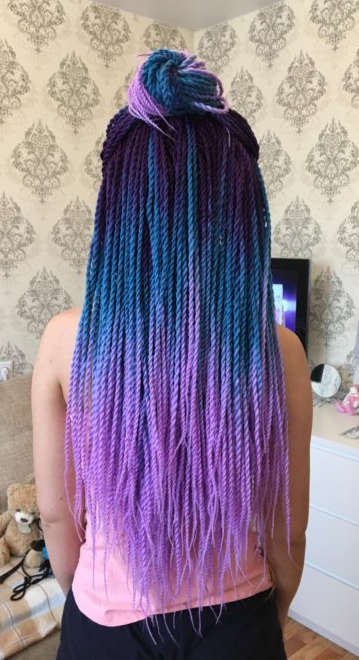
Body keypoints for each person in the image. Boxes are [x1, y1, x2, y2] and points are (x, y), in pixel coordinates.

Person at [32, 49, 312, 660]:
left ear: (118, 210)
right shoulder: (281, 352)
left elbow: (56, 516)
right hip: (237, 623)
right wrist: (271, 616)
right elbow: (288, 528)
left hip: (106, 627)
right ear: (241, 213)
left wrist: (88, 601)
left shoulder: (64, 342)